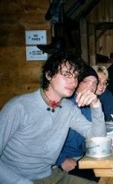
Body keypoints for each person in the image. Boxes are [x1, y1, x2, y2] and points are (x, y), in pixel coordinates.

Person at [0, 52, 106, 184]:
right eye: (67, 74)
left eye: (76, 77)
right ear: (49, 74)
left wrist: (96, 106)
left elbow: (98, 138)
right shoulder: (18, 107)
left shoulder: (68, 108)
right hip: (14, 178)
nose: (73, 82)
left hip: (51, 175)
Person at [55, 64, 102, 182]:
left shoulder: (92, 105)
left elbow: (97, 137)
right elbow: (42, 141)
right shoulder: (64, 104)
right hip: (63, 162)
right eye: (86, 81)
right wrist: (61, 160)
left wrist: (96, 106)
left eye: (94, 83)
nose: (91, 87)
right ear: (77, 83)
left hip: (83, 158)